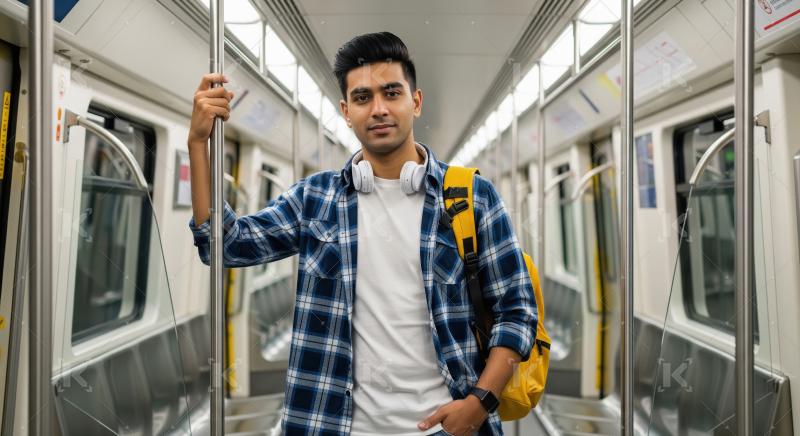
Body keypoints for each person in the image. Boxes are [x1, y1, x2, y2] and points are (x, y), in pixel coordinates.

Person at [187, 31, 536, 436]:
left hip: (449, 425)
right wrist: (198, 144)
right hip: (333, 425)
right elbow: (225, 245)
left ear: (416, 101)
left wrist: (479, 404)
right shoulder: (314, 200)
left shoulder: (471, 199)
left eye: (392, 93)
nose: (379, 109)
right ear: (346, 110)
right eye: (363, 97)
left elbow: (517, 312)